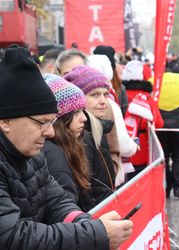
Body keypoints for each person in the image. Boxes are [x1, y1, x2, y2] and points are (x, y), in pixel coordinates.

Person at [0, 45, 132, 249]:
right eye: (41, 122)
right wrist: (94, 233)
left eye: (52, 122)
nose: (50, 132)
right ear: (5, 122)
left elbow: (57, 202)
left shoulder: (33, 154)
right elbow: (12, 237)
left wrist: (87, 223)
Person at [43, 74, 115, 212]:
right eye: (76, 113)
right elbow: (64, 211)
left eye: (82, 111)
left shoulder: (68, 146)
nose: (83, 118)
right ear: (58, 119)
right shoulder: (53, 153)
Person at [122, 60, 164, 180]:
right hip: (141, 150)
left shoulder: (118, 95)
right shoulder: (147, 99)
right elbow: (159, 123)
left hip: (119, 149)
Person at [155, 68, 179, 199]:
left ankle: (168, 186)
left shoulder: (154, 80)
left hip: (161, 126)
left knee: (165, 158)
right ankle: (178, 187)